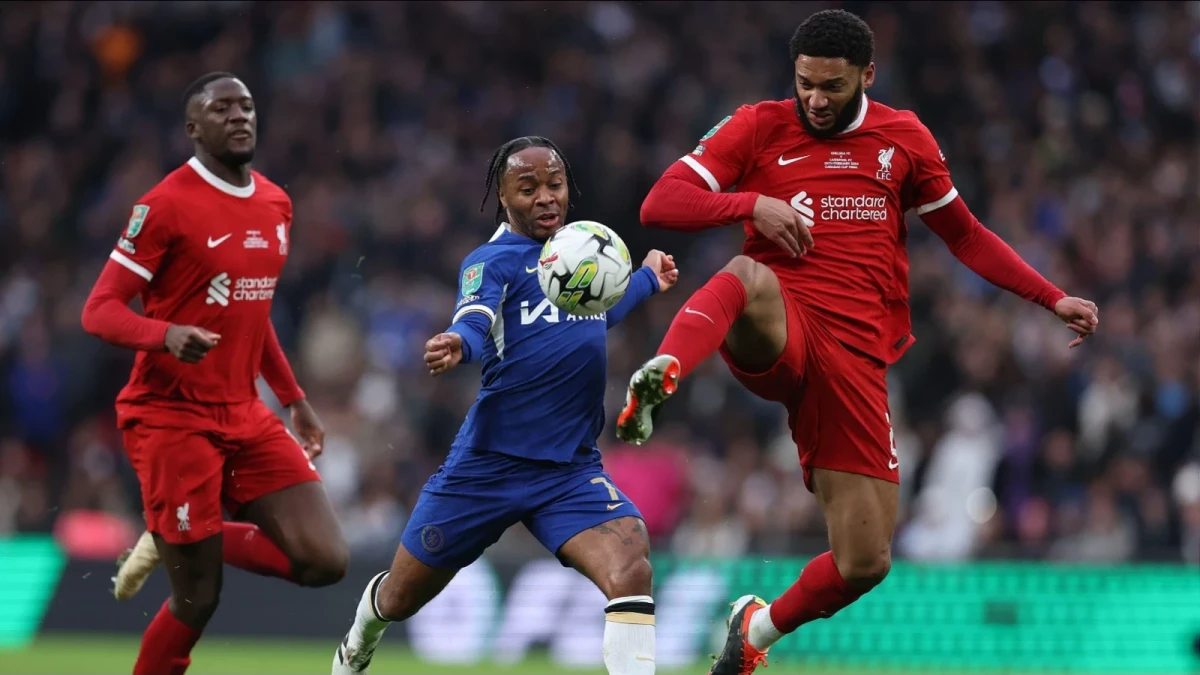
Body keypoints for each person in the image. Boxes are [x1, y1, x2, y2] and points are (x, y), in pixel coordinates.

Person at [615, 10, 1100, 675]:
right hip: (779, 324)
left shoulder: (903, 139)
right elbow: (660, 203)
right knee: (745, 274)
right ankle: (667, 367)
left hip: (856, 362)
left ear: (867, 75)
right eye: (805, 82)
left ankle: (755, 627)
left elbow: (965, 235)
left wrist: (1052, 296)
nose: (815, 98)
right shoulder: (757, 124)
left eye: (832, 86)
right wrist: (750, 205)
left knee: (865, 561)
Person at [331, 136, 677, 675]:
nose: (545, 197)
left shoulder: (584, 252)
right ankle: (357, 642)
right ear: (503, 196)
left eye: (555, 184)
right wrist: (457, 343)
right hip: (486, 468)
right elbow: (475, 318)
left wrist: (647, 280)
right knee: (399, 598)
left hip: (569, 471)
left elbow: (598, 313)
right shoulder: (490, 263)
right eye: (529, 187)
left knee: (631, 566)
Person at [80, 72, 349, 675]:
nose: (238, 116)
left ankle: (175, 536)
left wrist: (293, 397)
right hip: (170, 417)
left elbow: (252, 313)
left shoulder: (276, 202)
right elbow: (98, 310)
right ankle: (181, 542)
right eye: (220, 107)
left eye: (247, 105)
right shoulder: (164, 205)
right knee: (199, 598)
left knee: (325, 560)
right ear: (193, 128)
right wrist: (165, 334)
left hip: (245, 413)